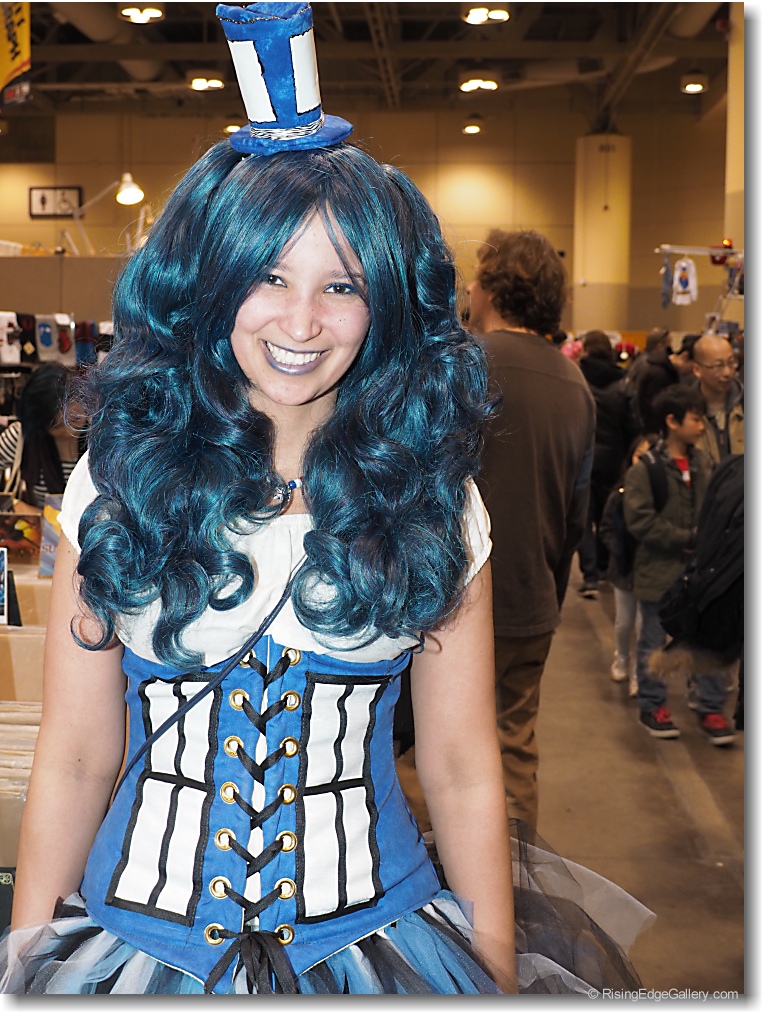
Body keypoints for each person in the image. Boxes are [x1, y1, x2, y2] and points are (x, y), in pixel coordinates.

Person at [0, 2, 653, 998]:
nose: (301, 322)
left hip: (376, 947)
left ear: (384, 303)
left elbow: (460, 764)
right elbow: (79, 753)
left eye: (341, 285)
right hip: (134, 953)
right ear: (209, 286)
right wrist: (23, 964)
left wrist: (491, 974)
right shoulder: (119, 479)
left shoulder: (433, 499)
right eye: (267, 276)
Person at [465, 228, 595, 829]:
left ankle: (439, 881)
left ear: (493, 290)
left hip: (454, 604)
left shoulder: (464, 367)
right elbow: (575, 514)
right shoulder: (575, 386)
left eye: (476, 277)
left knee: (427, 751)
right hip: (533, 602)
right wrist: (549, 595)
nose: (468, 288)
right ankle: (518, 872)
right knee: (514, 749)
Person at [623, 386, 735, 745]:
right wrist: (687, 537)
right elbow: (639, 521)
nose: (702, 426)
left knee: (709, 639)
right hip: (658, 572)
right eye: (696, 419)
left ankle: (711, 707)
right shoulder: (648, 468)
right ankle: (653, 705)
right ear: (672, 422)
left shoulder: (705, 464)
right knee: (653, 641)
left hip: (702, 575)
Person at [576, 330, 639, 597]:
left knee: (584, 518)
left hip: (583, 458)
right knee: (607, 515)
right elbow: (632, 426)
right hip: (614, 460)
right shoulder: (623, 383)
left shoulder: (577, 379)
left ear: (586, 349)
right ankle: (604, 567)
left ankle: (590, 575)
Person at [598, 436, 651, 695]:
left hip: (649, 572)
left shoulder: (659, 497)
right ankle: (621, 656)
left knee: (644, 626)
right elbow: (606, 528)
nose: (642, 462)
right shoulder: (618, 496)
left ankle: (639, 673)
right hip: (622, 571)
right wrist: (617, 549)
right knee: (624, 622)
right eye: (639, 455)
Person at [0, 363, 84, 510]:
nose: (69, 430)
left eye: (75, 419)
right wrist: (14, 506)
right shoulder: (20, 437)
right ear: (40, 424)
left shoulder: (101, 438)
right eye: (58, 426)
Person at [691, 333, 744, 464]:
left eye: (731, 363)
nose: (727, 372)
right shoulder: (686, 409)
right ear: (697, 370)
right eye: (718, 366)